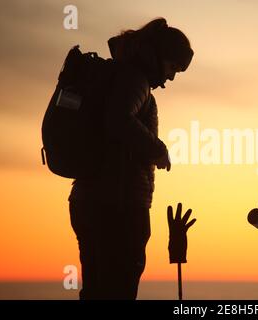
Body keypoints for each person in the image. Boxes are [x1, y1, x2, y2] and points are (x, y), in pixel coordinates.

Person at [68, 18, 193, 300]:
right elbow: (117, 120)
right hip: (118, 206)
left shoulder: (118, 76)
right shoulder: (134, 79)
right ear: (159, 56)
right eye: (173, 67)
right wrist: (157, 149)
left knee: (97, 291)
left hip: (90, 200)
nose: (171, 77)